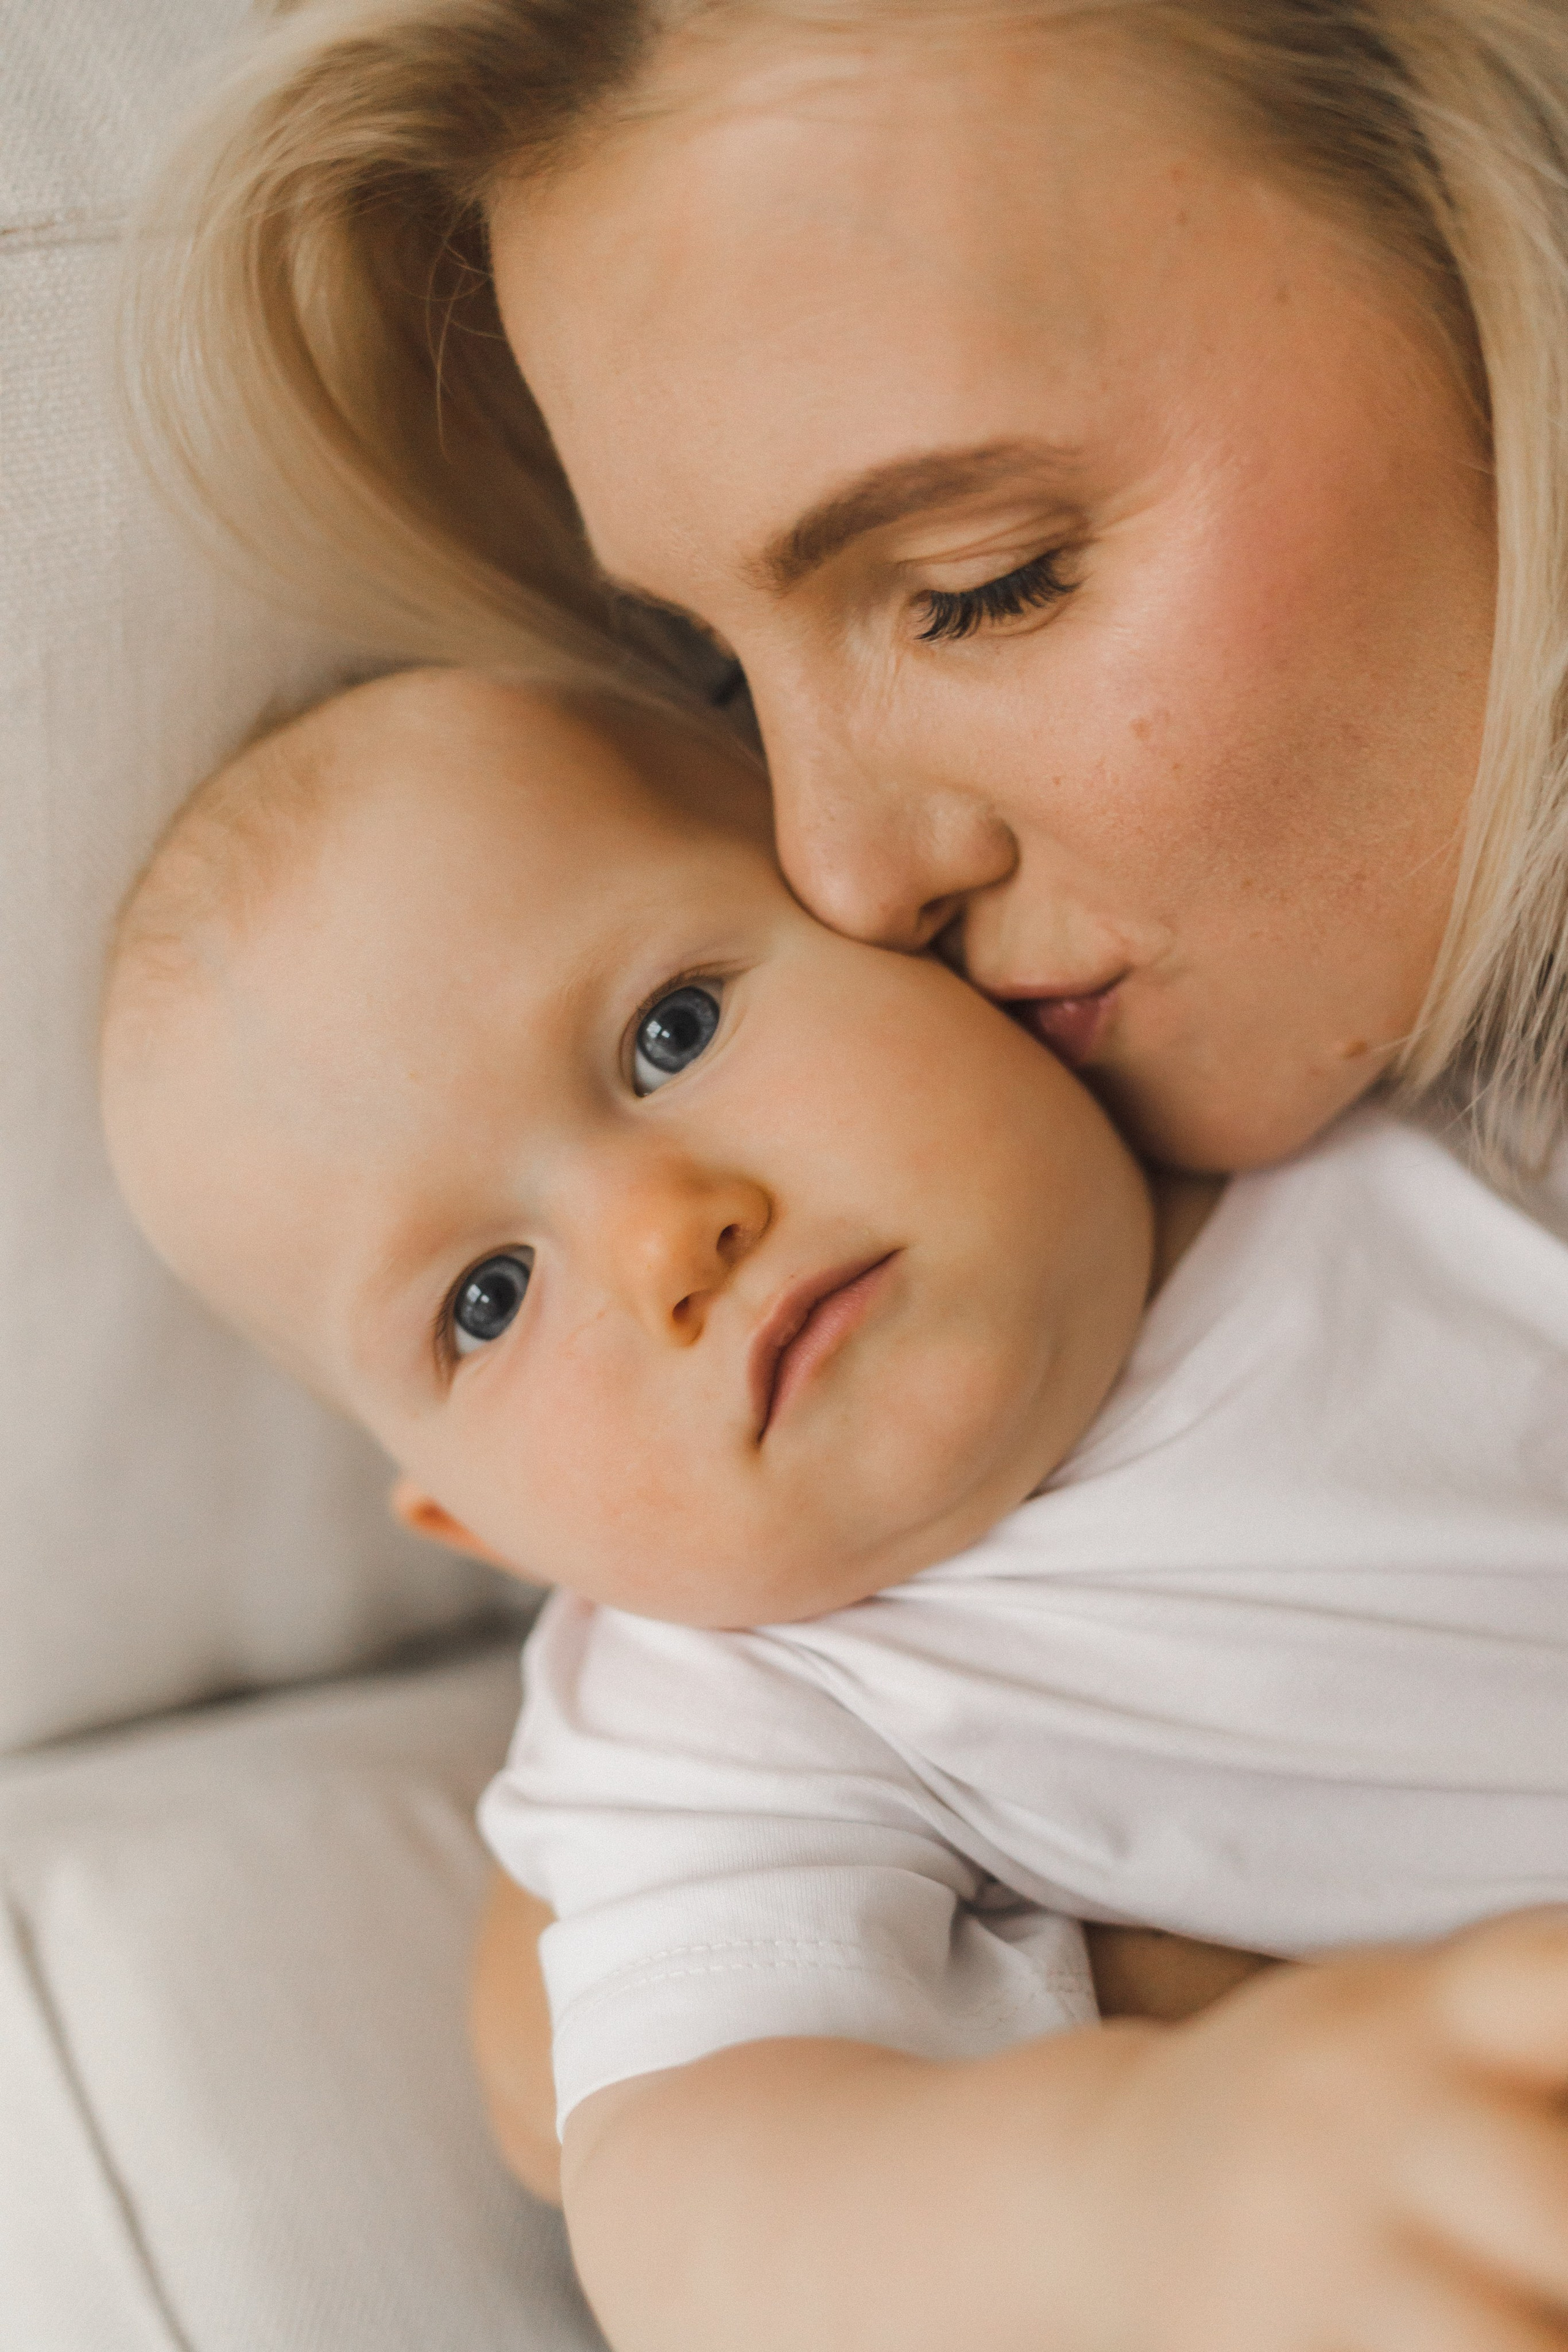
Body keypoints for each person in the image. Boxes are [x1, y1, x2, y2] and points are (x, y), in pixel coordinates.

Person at [101, 666, 1568, 2352]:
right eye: (489, 1300)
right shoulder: (728, 1702)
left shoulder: (1377, 1089)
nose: (669, 1238)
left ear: (899, 929)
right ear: (486, 1532)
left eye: (674, 1030)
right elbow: (692, 2199)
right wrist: (1132, 2183)